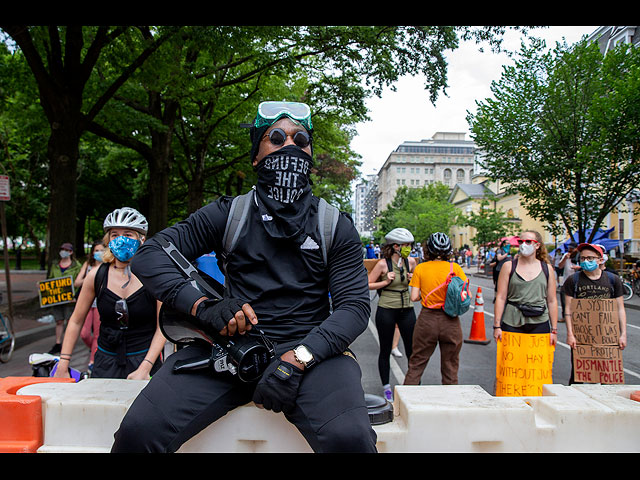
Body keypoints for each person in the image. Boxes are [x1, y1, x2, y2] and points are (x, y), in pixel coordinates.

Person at [110, 101, 377, 453]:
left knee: (351, 439)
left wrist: (300, 358)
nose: (290, 146)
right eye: (276, 138)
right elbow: (151, 254)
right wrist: (205, 307)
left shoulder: (334, 225)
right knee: (138, 431)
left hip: (311, 353)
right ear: (256, 156)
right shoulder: (227, 214)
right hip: (228, 347)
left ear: (311, 157)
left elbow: (355, 306)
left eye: (301, 139)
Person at [53, 208, 165, 380]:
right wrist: (63, 362)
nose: (121, 240)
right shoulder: (96, 276)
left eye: (128, 234)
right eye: (114, 235)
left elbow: (162, 327)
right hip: (106, 361)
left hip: (145, 360)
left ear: (141, 239)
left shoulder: (154, 276)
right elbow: (75, 321)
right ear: (108, 240)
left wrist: (145, 367)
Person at [493, 230, 558, 393]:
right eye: (521, 241)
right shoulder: (509, 266)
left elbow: (552, 300)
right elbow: (500, 297)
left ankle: (536, 402)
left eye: (528, 242)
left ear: (537, 245)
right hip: (512, 321)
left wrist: (554, 330)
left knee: (537, 368)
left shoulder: (547, 269)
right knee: (511, 367)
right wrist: (497, 326)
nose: (523, 245)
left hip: (539, 322)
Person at [403, 232, 466, 385]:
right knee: (450, 366)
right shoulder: (455, 268)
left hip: (427, 320)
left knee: (417, 363)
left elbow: (414, 297)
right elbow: (465, 294)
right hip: (450, 320)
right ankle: (450, 405)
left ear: (427, 249)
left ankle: (404, 404)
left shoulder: (421, 268)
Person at [561, 243, 627, 384]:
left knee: (607, 376)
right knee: (578, 375)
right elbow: (568, 309)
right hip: (581, 336)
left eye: (590, 258)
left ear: (600, 259)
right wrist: (570, 334)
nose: (586, 261)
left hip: (607, 336)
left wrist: (623, 334)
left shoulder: (612, 280)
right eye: (583, 258)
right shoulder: (574, 280)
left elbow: (620, 308)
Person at [367, 227, 417, 401]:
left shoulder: (411, 262)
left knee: (412, 349)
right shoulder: (382, 264)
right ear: (396, 246)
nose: (409, 248)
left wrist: (413, 278)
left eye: (410, 245)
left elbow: (416, 284)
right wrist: (385, 282)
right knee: (385, 349)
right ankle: (386, 387)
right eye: (406, 245)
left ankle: (413, 385)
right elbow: (367, 284)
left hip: (407, 309)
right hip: (387, 309)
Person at [74, 241, 105, 372]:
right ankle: (94, 347)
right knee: (85, 333)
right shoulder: (88, 266)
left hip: (99, 303)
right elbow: (77, 282)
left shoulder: (108, 267)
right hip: (88, 303)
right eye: (96, 250)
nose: (98, 253)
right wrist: (90, 278)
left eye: (101, 250)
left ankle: (92, 360)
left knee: (98, 334)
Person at [47, 242, 82, 354]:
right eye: (62, 249)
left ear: (71, 252)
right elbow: (50, 279)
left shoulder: (77, 266)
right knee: (59, 320)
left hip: (70, 299)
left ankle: (68, 344)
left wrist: (75, 296)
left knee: (69, 320)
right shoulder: (55, 265)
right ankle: (58, 343)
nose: (63, 251)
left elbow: (79, 282)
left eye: (66, 250)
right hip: (57, 298)